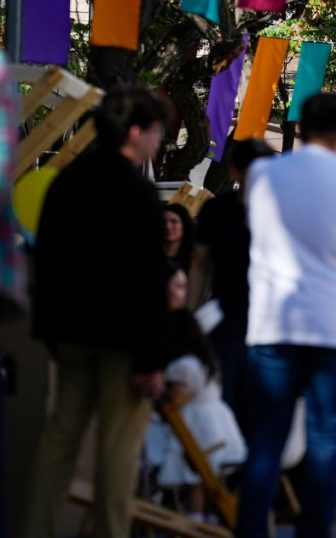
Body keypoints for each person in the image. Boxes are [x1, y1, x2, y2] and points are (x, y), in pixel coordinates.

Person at [235, 93, 336, 537]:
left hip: (274, 327)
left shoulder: (263, 177)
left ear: (299, 128)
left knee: (265, 441)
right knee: (326, 443)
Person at [19, 86, 169, 537]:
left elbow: (46, 261)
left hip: (68, 333)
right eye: (157, 131)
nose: (159, 140)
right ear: (136, 132)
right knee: (116, 455)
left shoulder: (66, 181)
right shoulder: (139, 193)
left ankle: (35, 528)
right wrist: (153, 358)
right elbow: (148, 280)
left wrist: (48, 329)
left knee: (59, 440)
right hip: (124, 341)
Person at [144, 262, 245, 523]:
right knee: (206, 478)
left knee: (194, 477)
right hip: (219, 429)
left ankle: (196, 518)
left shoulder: (183, 367)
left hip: (196, 432)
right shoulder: (206, 364)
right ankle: (207, 517)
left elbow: (175, 401)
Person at [189, 138, 275, 412]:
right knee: (222, 399)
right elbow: (200, 265)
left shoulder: (283, 212)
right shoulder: (216, 210)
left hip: (271, 324)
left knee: (259, 405)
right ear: (235, 172)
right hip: (226, 318)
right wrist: (190, 317)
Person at [164, 203, 195, 271]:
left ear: (184, 225)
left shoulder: (195, 258)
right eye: (163, 222)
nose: (167, 226)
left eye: (174, 221)